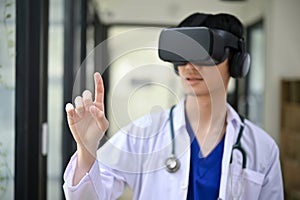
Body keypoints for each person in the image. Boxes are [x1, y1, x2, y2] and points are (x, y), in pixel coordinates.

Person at [63, 13, 284, 200]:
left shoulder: (262, 149)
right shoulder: (144, 134)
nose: (189, 66)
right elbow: (87, 196)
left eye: (203, 54)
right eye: (182, 56)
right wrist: (87, 149)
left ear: (236, 62)